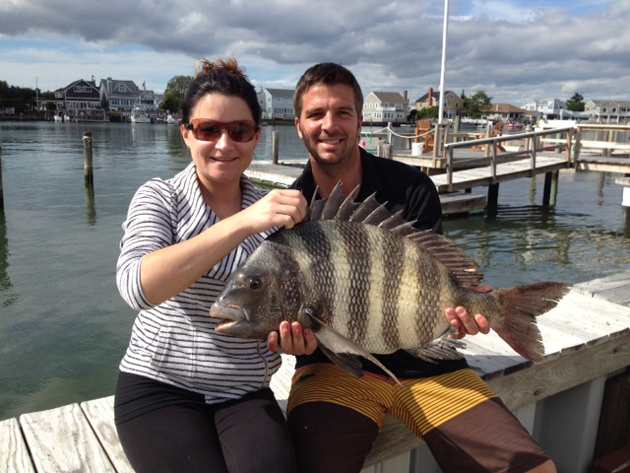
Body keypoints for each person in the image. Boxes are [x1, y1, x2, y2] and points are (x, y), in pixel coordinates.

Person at [268, 62, 556, 473]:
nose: (329, 125)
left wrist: (464, 314)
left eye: (342, 113)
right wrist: (297, 338)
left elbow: (432, 284)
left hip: (427, 366)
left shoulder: (411, 188)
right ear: (298, 125)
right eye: (316, 114)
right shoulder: (289, 210)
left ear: (360, 120)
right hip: (334, 371)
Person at [114, 58, 306, 473]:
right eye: (208, 130)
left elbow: (300, 301)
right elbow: (136, 287)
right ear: (186, 133)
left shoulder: (277, 213)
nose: (224, 144)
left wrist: (301, 337)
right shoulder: (160, 197)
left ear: (256, 137)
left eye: (239, 131)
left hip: (244, 390)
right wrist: (243, 222)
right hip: (158, 386)